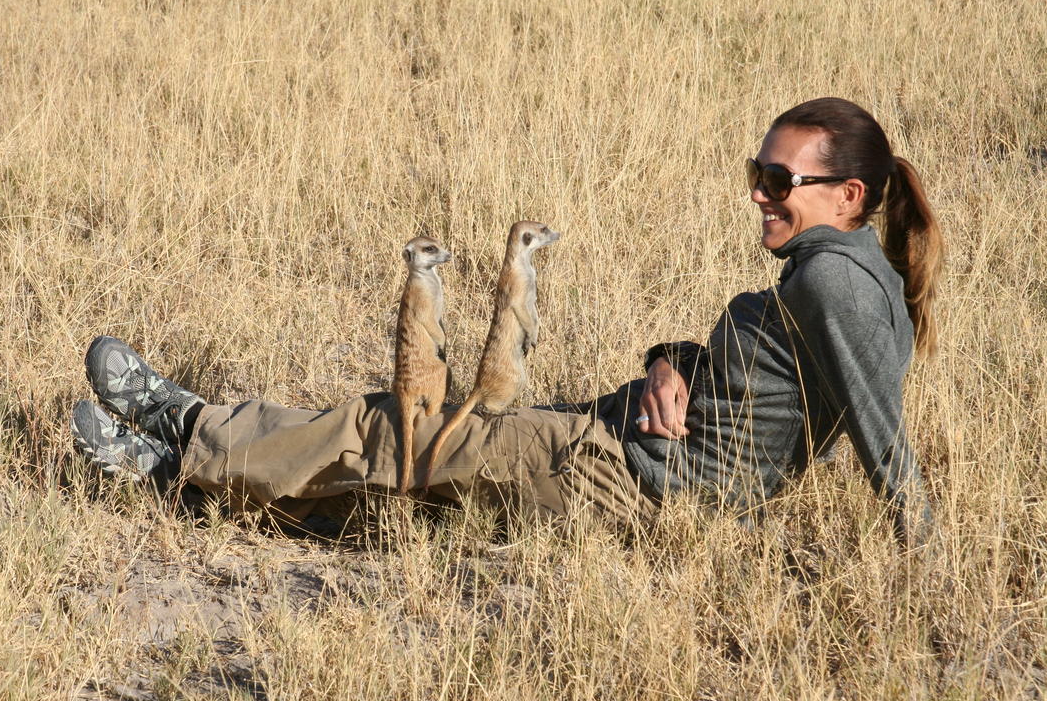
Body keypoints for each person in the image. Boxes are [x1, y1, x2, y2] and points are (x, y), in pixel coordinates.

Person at [70, 97, 942, 547]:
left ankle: (188, 431)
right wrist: (669, 361)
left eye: (779, 181)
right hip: (631, 454)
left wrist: (923, 563)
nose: (759, 192)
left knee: (402, 430)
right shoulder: (855, 274)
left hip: (630, 481)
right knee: (430, 504)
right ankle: (181, 483)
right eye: (758, 170)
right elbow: (775, 380)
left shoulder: (836, 287)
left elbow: (880, 438)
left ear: (849, 195)